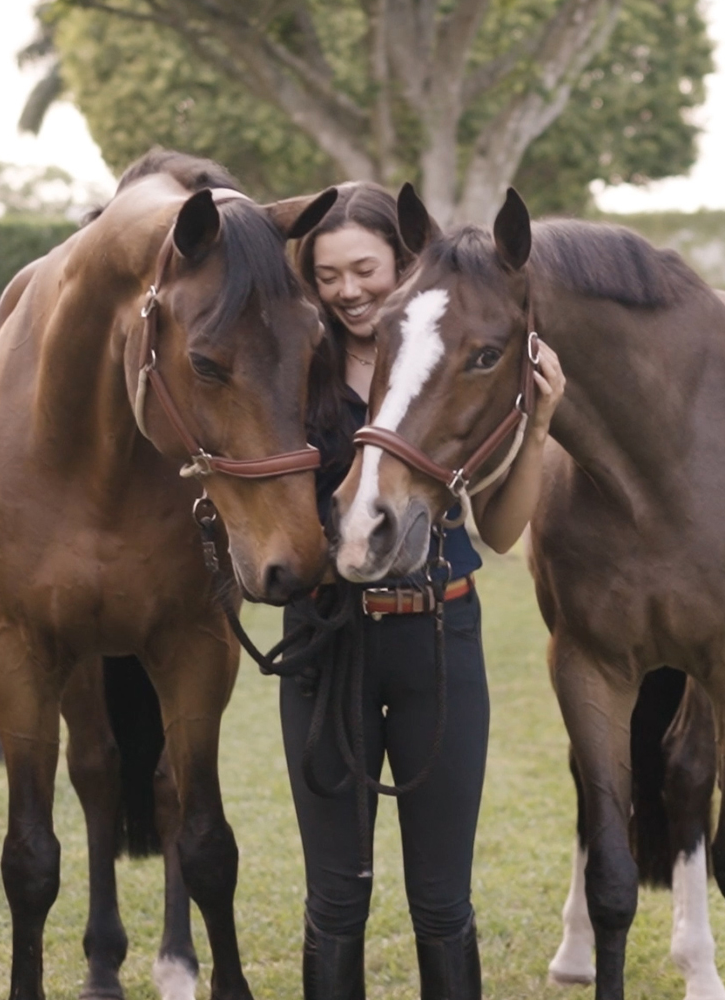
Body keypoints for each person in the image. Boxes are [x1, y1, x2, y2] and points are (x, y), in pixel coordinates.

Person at [279, 181, 565, 1000]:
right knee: (336, 898)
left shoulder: (436, 359)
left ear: (401, 262)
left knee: (442, 901)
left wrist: (540, 426)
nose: (348, 289)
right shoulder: (297, 373)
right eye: (327, 275)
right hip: (327, 646)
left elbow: (502, 533)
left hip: (440, 639)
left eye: (363, 267)